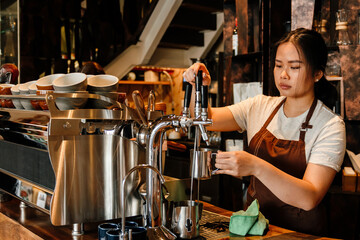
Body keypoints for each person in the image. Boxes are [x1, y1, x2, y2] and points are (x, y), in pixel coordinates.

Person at [183, 28, 346, 235]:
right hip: (254, 230)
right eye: (278, 65)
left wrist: (255, 166)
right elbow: (205, 120)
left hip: (299, 234)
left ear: (317, 74)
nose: (283, 74)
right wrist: (198, 88)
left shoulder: (330, 126)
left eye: (294, 67)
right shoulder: (259, 106)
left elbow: (309, 197)